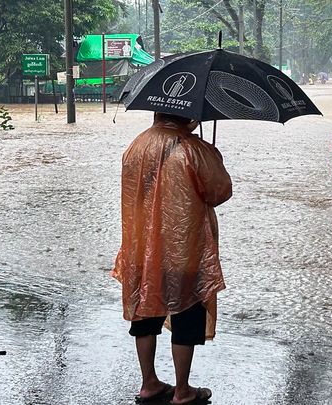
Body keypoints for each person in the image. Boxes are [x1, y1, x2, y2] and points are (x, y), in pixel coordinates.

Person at [112, 112, 232, 405]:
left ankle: (149, 382)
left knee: (145, 309)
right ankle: (182, 390)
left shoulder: (135, 146)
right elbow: (220, 192)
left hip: (141, 247)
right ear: (186, 113)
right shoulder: (193, 148)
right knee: (186, 311)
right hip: (183, 247)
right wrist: (212, 156)